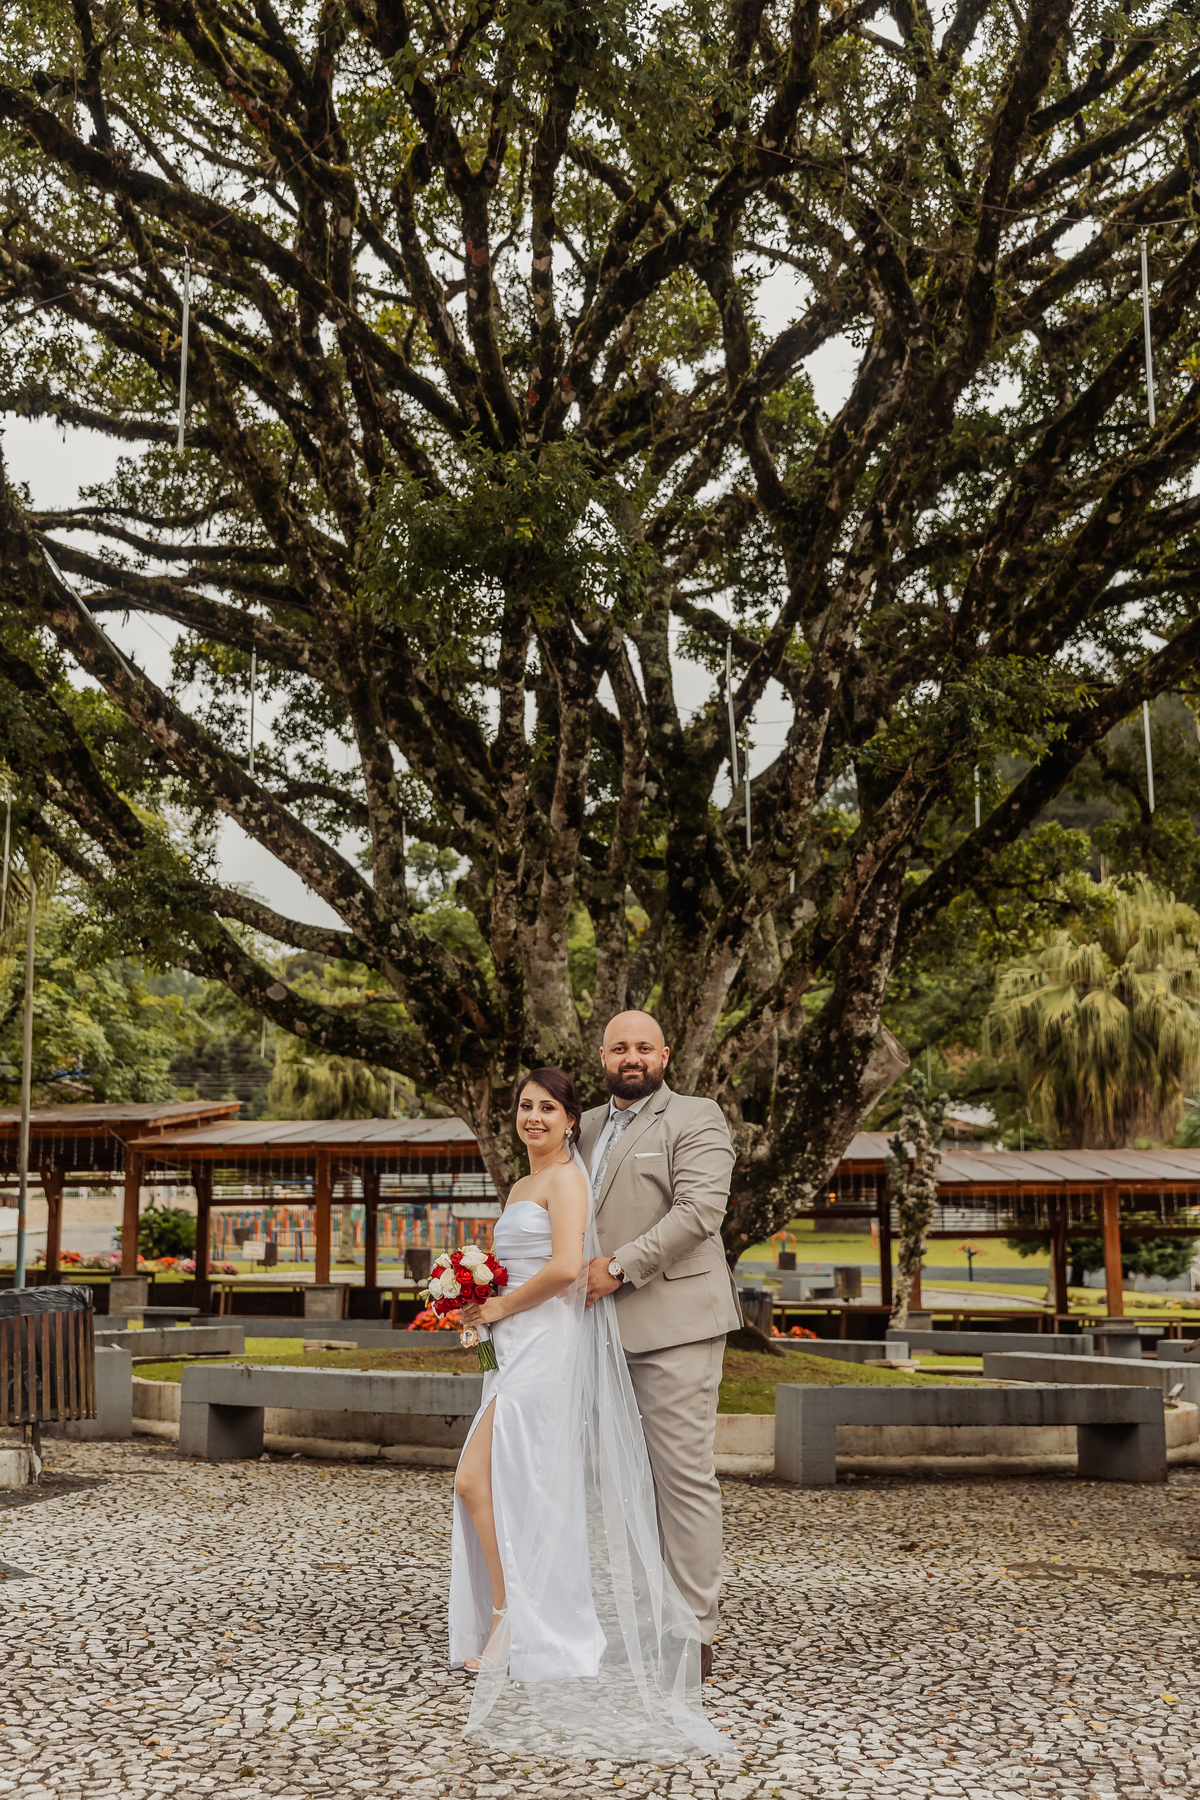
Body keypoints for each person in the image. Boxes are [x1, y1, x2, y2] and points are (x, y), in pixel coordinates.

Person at [447, 1066, 719, 1761]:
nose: (533, 1117)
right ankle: (515, 1615)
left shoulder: (568, 1180)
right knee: (502, 1482)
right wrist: (475, 1306)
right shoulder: (521, 1185)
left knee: (481, 1480)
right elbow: (516, 1264)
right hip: (513, 1344)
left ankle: (514, 1618)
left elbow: (568, 1268)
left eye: (548, 1107)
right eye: (525, 1106)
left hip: (547, 1343)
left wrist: (499, 1305)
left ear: (572, 1120)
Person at [580, 1010, 741, 1681]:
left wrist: (618, 1266)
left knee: (682, 1480)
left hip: (676, 1325)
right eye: (620, 1047)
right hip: (598, 1333)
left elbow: (699, 1212)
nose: (632, 1057)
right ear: (602, 1056)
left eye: (644, 1047)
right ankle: (647, 1621)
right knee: (626, 1484)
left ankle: (694, 1630)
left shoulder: (697, 1117)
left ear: (665, 1055)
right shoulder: (584, 1126)